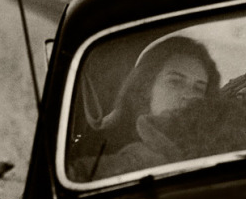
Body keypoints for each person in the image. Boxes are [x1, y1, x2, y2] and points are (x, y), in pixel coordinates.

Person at [81, 35, 222, 178]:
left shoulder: (213, 146)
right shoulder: (107, 148)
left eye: (198, 89)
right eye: (175, 82)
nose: (188, 96)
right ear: (146, 88)